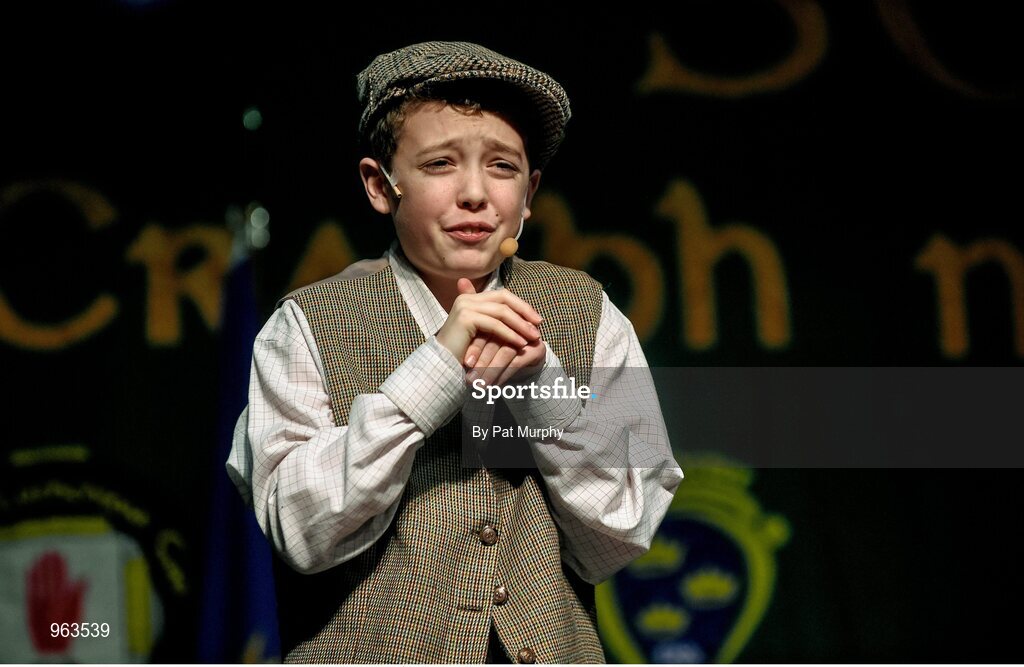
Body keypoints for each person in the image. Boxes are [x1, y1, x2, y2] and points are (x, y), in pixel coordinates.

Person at [227, 41, 683, 664]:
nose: (475, 193)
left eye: (502, 167)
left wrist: (539, 389)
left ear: (529, 193)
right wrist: (434, 372)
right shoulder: (307, 326)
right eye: (440, 164)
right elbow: (299, 533)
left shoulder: (585, 313)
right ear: (380, 186)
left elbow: (621, 535)